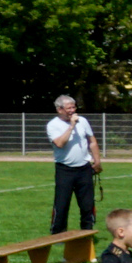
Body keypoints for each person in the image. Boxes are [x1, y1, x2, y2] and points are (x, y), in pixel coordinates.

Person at [46, 94, 100, 233]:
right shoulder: (53, 125)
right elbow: (60, 143)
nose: (72, 110)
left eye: (73, 107)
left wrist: (97, 161)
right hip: (65, 170)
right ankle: (58, 234)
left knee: (87, 204)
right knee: (62, 204)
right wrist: (71, 126)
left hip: (84, 169)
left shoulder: (83, 121)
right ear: (59, 109)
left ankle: (87, 233)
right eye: (68, 108)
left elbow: (92, 141)